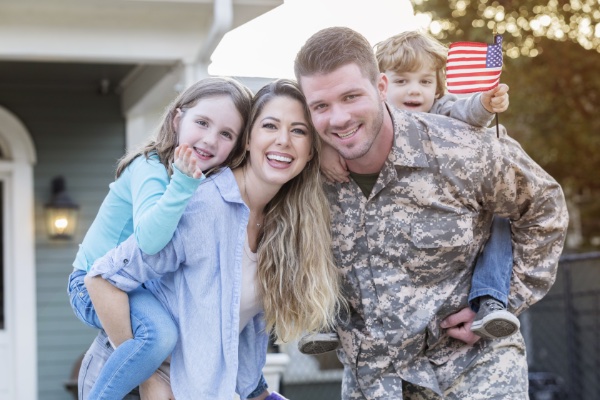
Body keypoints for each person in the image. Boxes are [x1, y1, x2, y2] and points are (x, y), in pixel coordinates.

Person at [294, 26, 569, 399]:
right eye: (321, 106)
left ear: (380, 87)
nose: (339, 118)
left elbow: (544, 208)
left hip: (474, 371)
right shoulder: (301, 172)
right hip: (374, 382)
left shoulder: (460, 148)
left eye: (351, 96)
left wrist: (504, 301)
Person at [81, 79, 344, 400]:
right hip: (128, 387)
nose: (284, 141)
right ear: (247, 140)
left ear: (311, 150)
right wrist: (150, 374)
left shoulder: (283, 223)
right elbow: (100, 278)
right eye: (270, 126)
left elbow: (238, 323)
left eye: (299, 131)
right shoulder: (204, 206)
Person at [299, 30, 518, 355]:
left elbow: (467, 112)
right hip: (389, 258)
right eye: (403, 81)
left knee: (501, 217)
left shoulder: (442, 113)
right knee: (322, 220)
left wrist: (486, 104)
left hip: (449, 230)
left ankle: (490, 299)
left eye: (425, 81)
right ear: (381, 86)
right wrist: (324, 149)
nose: (415, 90)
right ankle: (327, 315)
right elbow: (319, 116)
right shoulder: (362, 126)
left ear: (437, 87)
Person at [67, 76, 260, 398]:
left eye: (226, 134)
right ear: (177, 118)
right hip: (95, 282)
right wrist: (182, 184)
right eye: (202, 122)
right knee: (158, 336)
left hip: (139, 289)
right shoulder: (149, 166)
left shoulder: (208, 186)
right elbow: (150, 240)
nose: (210, 140)